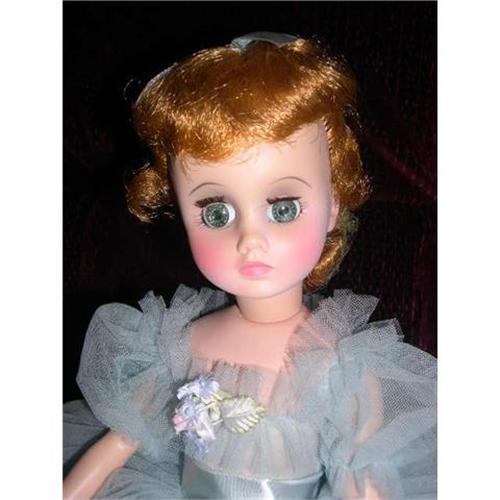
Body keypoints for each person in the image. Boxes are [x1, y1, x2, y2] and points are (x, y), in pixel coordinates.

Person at [63, 32, 437, 499]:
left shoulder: (342, 363)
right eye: (216, 214)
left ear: (333, 207)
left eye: (284, 208)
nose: (250, 240)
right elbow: (118, 444)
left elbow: (363, 484)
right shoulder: (178, 344)